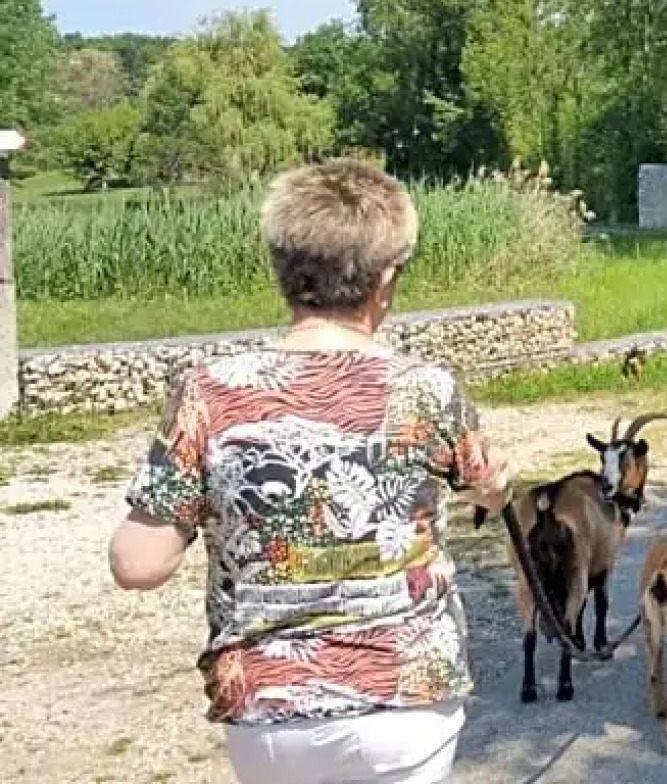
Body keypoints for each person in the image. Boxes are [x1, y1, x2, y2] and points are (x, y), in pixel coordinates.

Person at [107, 159, 512, 784]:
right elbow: (486, 483)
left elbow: (139, 562)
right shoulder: (427, 389)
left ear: (282, 271)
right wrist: (495, 483)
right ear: (386, 278)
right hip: (407, 698)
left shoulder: (209, 392)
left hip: (269, 708)